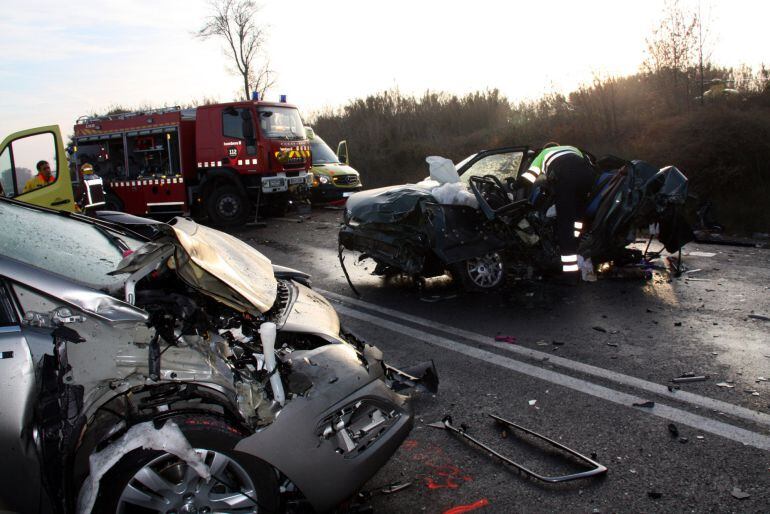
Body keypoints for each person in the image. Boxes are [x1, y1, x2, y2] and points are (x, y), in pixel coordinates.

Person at [522, 143, 597, 282]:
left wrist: (515, 185)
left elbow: (530, 177)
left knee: (565, 225)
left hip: (565, 175)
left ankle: (570, 276)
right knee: (577, 217)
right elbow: (591, 160)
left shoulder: (543, 154)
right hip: (587, 176)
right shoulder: (573, 148)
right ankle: (576, 242)